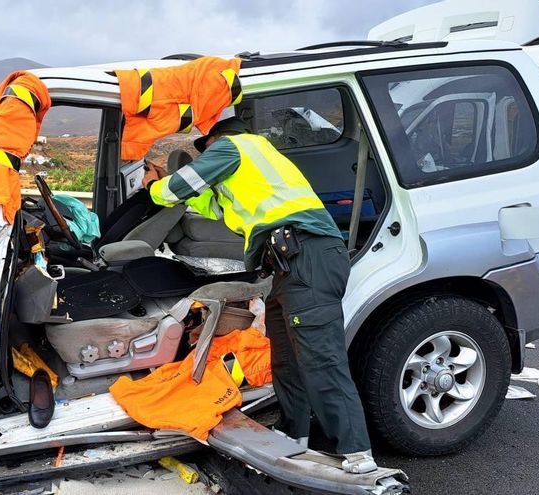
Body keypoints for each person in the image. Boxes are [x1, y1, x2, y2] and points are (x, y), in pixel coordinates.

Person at [141, 117, 377, 475]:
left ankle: (357, 451)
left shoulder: (235, 146)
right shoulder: (253, 166)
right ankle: (294, 434)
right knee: (285, 356)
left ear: (218, 140)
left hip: (308, 257)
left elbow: (179, 187)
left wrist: (155, 186)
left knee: (320, 358)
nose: (208, 156)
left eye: (207, 150)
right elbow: (215, 208)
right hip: (287, 262)